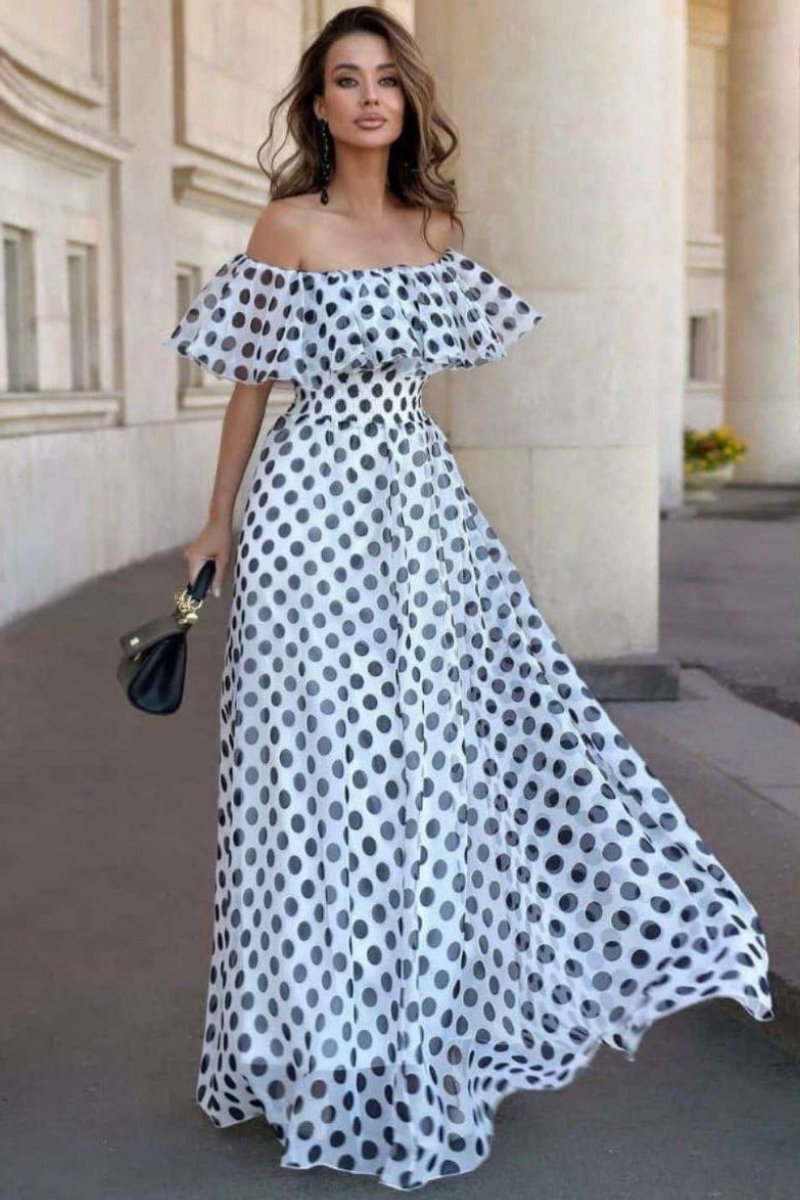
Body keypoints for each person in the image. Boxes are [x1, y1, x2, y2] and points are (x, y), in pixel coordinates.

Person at [163, 5, 774, 1191]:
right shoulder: (287, 225)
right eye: (345, 80)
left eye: (385, 80)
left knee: (427, 778)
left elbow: (428, 381)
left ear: (407, 101)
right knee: (312, 781)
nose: (368, 98)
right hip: (306, 512)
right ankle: (317, 1055)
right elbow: (249, 385)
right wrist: (215, 520)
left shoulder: (436, 228)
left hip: (416, 515)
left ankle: (414, 1046)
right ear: (318, 104)